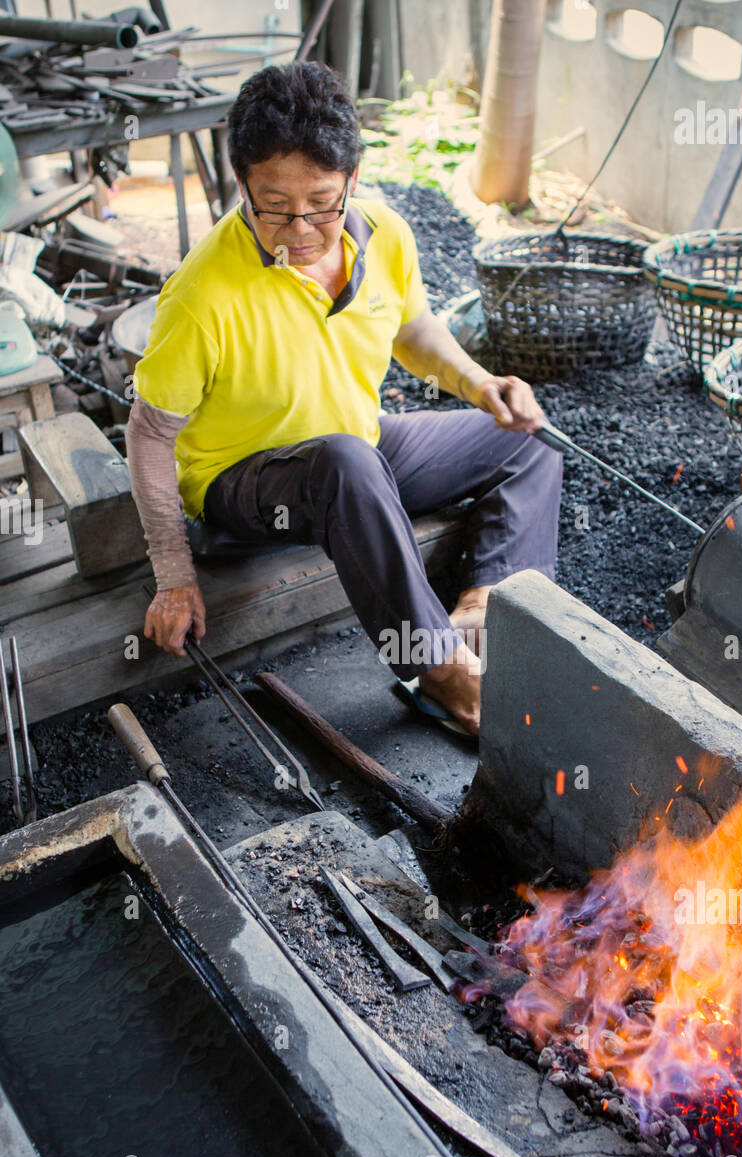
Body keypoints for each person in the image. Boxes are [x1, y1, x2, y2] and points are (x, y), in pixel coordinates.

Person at [127, 61, 562, 735]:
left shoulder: (384, 234)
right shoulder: (199, 295)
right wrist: (173, 572)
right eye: (273, 205)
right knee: (346, 465)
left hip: (357, 444)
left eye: (322, 203)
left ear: (352, 182)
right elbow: (151, 434)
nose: (299, 229)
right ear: (240, 182)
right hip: (244, 483)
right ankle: (436, 671)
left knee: (524, 438)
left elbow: (412, 329)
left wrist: (483, 385)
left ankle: (481, 609)